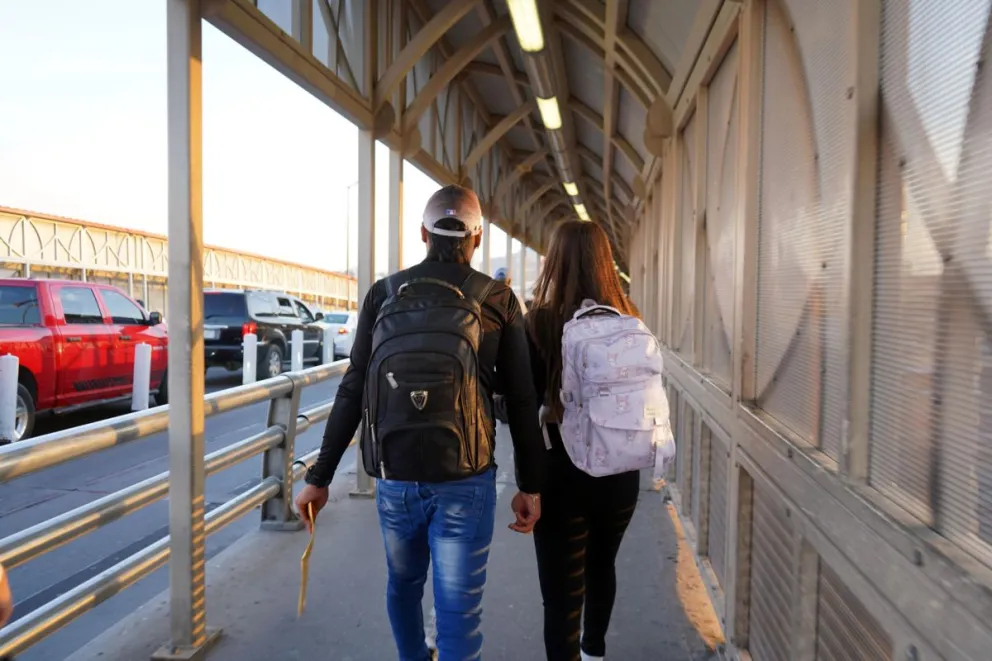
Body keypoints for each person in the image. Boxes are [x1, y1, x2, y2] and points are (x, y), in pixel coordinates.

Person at [295, 184, 546, 661]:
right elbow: (521, 398)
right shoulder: (499, 300)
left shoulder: (384, 293)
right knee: (458, 613)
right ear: (476, 238)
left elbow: (353, 388)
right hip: (467, 479)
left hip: (396, 477)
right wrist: (530, 487)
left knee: (403, 585)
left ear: (423, 234)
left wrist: (318, 478)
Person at [524, 221, 643, 661]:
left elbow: (526, 403)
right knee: (601, 566)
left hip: (561, 473)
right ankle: (594, 651)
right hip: (620, 471)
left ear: (554, 261)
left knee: (561, 593)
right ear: (605, 261)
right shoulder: (629, 317)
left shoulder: (539, 320)